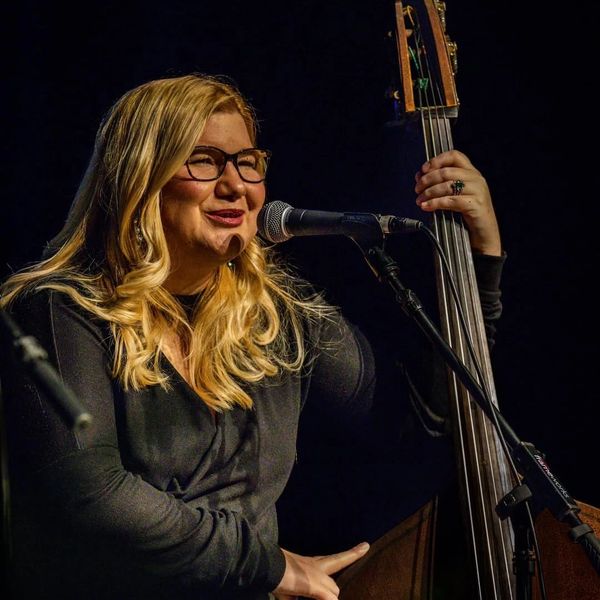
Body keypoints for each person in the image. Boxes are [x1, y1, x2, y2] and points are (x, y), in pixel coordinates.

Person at [0, 73, 504, 600]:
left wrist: (480, 259)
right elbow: (88, 493)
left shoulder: (277, 315)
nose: (236, 184)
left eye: (247, 162)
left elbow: (421, 424)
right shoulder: (59, 310)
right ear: (140, 177)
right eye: (204, 161)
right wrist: (266, 566)